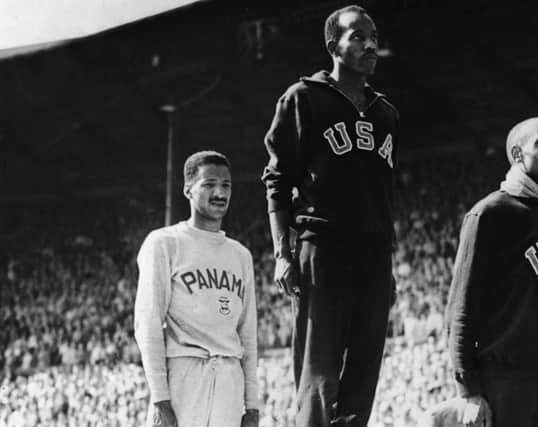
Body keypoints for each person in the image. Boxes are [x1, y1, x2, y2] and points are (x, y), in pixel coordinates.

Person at [261, 5, 399, 426]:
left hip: (374, 253)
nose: (370, 44)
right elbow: (277, 179)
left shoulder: (386, 113)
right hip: (323, 247)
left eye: (373, 36)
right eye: (357, 36)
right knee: (318, 370)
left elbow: (383, 192)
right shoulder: (303, 98)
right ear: (332, 46)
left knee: (365, 368)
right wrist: (283, 253)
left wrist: (387, 260)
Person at [445, 117, 538, 427]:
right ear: (518, 154)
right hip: (507, 380)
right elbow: (461, 309)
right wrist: (467, 389)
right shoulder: (490, 213)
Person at [134, 151, 259, 427]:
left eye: (226, 185)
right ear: (188, 189)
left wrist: (252, 407)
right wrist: (160, 399)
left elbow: (248, 334)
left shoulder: (240, 255)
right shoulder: (164, 243)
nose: (219, 193)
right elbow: (148, 323)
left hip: (229, 379)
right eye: (209, 184)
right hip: (184, 375)